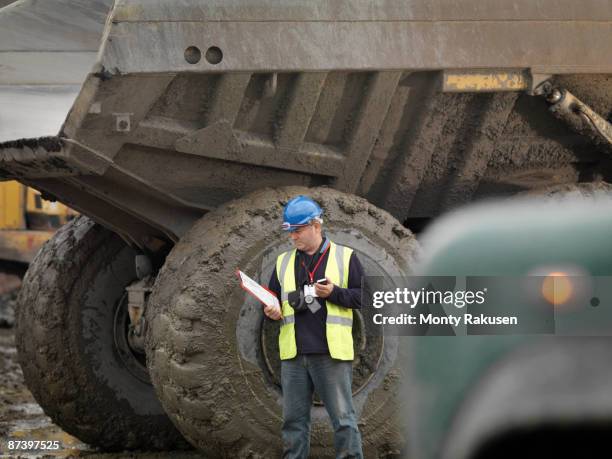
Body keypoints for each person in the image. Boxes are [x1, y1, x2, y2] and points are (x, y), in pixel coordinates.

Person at [266, 195, 364, 459]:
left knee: (343, 420)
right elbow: (273, 300)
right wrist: (271, 309)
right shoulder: (283, 262)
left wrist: (332, 292)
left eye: (297, 230)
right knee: (293, 423)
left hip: (330, 354)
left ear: (316, 226)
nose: (293, 237)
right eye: (290, 232)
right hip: (294, 356)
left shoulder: (346, 257)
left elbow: (360, 298)